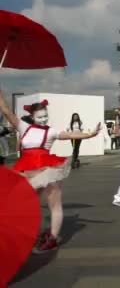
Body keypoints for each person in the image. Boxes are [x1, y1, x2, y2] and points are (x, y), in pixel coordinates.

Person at [0, 90, 101, 253]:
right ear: (32, 117)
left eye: (45, 116)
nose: (44, 119)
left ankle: (52, 238)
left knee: (54, 204)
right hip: (28, 171)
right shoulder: (24, 127)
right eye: (40, 117)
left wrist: (90, 134)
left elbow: (71, 134)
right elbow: (6, 111)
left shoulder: (51, 131)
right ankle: (29, 234)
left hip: (48, 169)